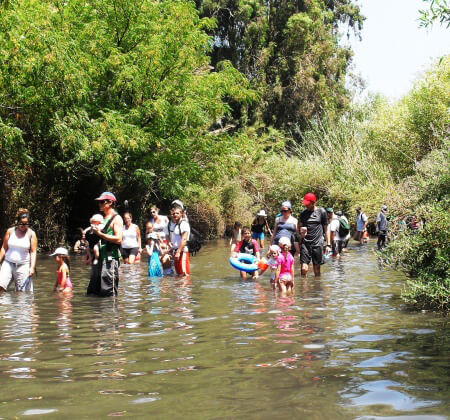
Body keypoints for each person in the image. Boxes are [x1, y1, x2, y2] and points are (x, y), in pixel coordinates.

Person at [86, 192, 123, 297]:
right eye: (99, 202)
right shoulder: (101, 218)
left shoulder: (116, 218)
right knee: (93, 291)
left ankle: (110, 313)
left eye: (102, 202)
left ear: (110, 202)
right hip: (98, 257)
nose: (100, 204)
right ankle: (96, 313)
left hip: (110, 258)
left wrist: (100, 234)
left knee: (108, 291)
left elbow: (119, 239)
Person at [0, 208, 38, 292]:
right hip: (8, 263)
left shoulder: (31, 234)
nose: (24, 226)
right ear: (18, 222)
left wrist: (32, 267)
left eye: (26, 224)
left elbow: (33, 251)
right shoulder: (10, 231)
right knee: (0, 286)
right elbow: (3, 248)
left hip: (23, 265)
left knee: (22, 292)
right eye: (22, 224)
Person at [298, 193, 330, 277]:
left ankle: (317, 287)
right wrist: (301, 232)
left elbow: (326, 229)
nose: (306, 205)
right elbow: (299, 228)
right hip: (305, 243)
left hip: (317, 243)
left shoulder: (321, 212)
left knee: (316, 268)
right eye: (305, 204)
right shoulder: (303, 213)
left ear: (313, 203)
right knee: (304, 269)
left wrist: (328, 244)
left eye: (308, 204)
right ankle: (303, 288)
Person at [168, 203, 191, 276]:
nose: (175, 215)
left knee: (184, 274)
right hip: (176, 251)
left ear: (181, 214)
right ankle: (179, 287)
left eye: (177, 213)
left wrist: (178, 252)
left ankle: (185, 287)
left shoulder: (183, 224)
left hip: (182, 252)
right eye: (174, 213)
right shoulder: (175, 224)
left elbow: (184, 239)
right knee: (179, 274)